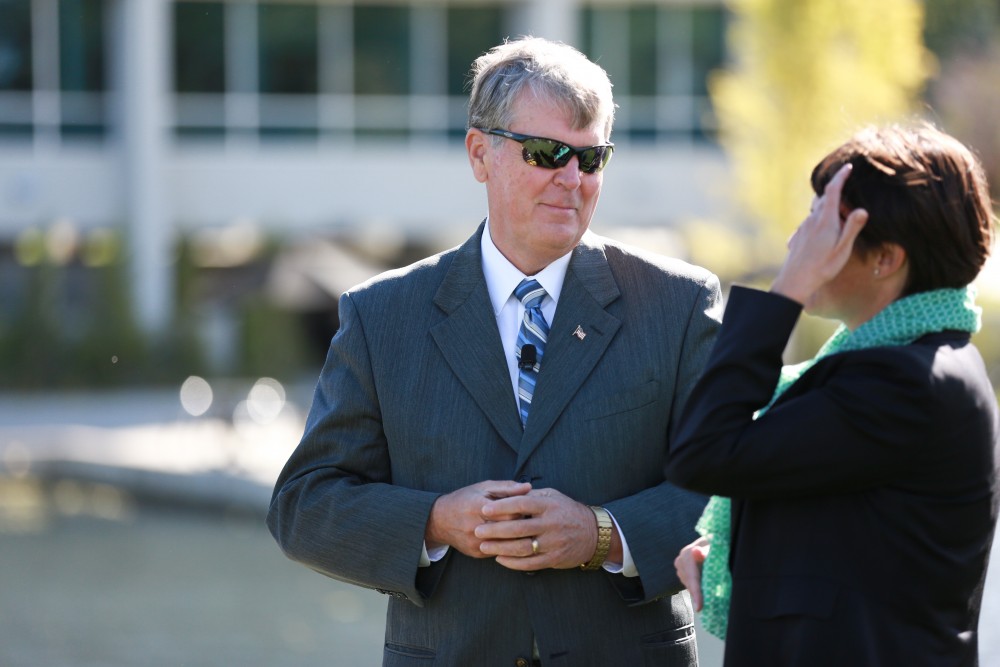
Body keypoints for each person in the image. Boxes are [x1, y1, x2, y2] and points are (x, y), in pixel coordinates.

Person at [267, 36, 722, 666]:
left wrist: (602, 535)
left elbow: (732, 492)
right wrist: (436, 522)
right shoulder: (382, 316)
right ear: (480, 153)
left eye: (592, 160)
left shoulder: (677, 304)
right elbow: (304, 505)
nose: (572, 179)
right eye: (547, 153)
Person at [667, 123, 999, 666]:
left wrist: (787, 292)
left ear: (884, 258)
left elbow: (703, 451)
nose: (799, 242)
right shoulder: (891, 367)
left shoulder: (905, 383)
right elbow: (855, 526)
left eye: (825, 225)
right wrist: (744, 554)